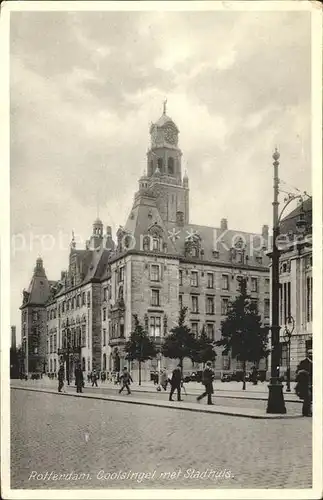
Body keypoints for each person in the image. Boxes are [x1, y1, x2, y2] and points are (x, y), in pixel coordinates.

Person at [295, 349, 313, 417]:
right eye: (310, 353)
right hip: (305, 383)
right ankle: (306, 412)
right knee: (307, 397)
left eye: (312, 353)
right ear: (307, 354)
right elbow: (298, 371)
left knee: (310, 398)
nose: (311, 355)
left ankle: (308, 411)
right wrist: (304, 372)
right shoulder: (303, 362)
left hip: (311, 382)